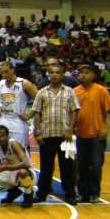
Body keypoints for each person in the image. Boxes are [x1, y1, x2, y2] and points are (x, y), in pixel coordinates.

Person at [32, 64, 80, 205]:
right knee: (46, 167)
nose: (54, 75)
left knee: (68, 167)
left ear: (63, 74)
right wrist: (38, 132)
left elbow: (74, 111)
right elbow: (37, 113)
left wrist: (71, 128)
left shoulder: (70, 92)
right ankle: (42, 193)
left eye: (57, 72)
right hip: (47, 135)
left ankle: (70, 194)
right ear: (48, 74)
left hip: (66, 136)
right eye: (51, 72)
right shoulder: (42, 92)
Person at [74, 64, 110, 203]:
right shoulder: (75, 92)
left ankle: (94, 193)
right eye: (81, 73)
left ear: (93, 75)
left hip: (97, 135)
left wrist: (106, 128)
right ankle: (82, 193)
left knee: (96, 165)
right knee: (81, 165)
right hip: (80, 134)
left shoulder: (101, 91)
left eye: (87, 72)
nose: (83, 75)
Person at [0, 125, 35, 208]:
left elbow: (26, 164)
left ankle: (28, 195)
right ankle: (13, 191)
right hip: (11, 173)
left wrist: (3, 167)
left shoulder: (14, 143)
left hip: (27, 173)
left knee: (23, 171)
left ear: (8, 135)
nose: (1, 138)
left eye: (3, 136)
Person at [0, 61, 38, 148]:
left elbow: (39, 99)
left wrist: (29, 115)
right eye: (2, 73)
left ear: (13, 70)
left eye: (6, 71)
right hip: (3, 119)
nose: (4, 75)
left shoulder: (24, 83)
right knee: (3, 148)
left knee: (20, 149)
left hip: (18, 120)